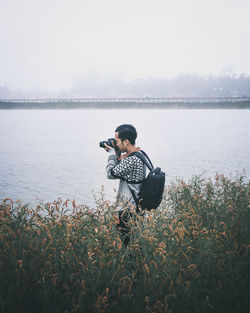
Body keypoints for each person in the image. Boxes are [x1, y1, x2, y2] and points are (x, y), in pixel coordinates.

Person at [104, 124, 146, 246]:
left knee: (128, 247)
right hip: (136, 208)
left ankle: (131, 265)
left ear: (126, 141)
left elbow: (110, 173)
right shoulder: (139, 154)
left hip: (128, 211)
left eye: (117, 141)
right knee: (134, 245)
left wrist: (112, 153)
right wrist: (117, 152)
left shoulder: (131, 160)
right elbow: (120, 167)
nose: (115, 144)